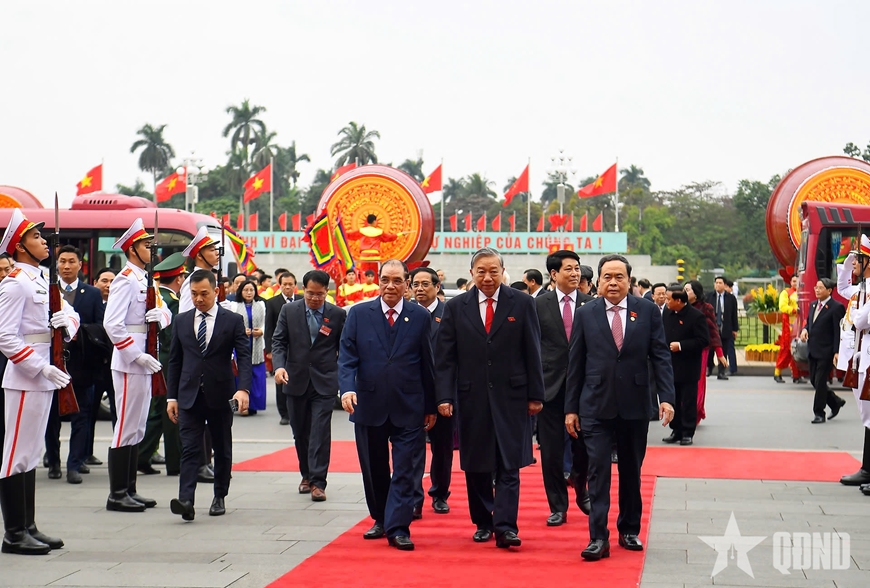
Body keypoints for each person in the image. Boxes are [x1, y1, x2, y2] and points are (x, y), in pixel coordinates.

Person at [566, 254, 675, 561]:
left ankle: (629, 529)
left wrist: (666, 397)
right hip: (595, 404)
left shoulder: (648, 310)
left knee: (631, 471)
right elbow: (575, 362)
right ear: (598, 281)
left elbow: (660, 356)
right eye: (607, 277)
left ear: (629, 280)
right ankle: (598, 537)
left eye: (619, 277)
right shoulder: (586, 313)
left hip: (635, 404)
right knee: (598, 471)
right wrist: (570, 408)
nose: (612, 282)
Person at [436, 247, 544, 548]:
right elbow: (445, 358)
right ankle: (483, 521)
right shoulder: (456, 307)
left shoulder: (521, 303)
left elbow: (532, 351)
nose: (487, 277)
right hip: (471, 397)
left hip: (513, 396)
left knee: (510, 463)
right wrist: (444, 395)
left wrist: (536, 394)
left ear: (503, 271)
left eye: (493, 271)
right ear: (472, 273)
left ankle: (506, 526)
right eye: (481, 271)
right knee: (477, 463)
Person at [338, 259, 435, 551]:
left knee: (405, 468)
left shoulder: (419, 316)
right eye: (385, 280)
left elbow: (428, 363)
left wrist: (431, 404)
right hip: (368, 403)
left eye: (397, 280)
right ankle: (380, 518)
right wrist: (346, 389)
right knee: (374, 467)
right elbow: (346, 357)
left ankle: (399, 527)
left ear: (407, 283)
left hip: (409, 405)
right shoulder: (358, 314)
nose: (390, 286)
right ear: (378, 281)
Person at [0, 208, 80, 554]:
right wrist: (38, 366)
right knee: (15, 454)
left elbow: (71, 316)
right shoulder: (15, 282)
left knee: (30, 454)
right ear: (19, 246)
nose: (43, 242)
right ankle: (14, 533)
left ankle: (28, 525)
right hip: (24, 377)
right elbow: (5, 336)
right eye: (35, 237)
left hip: (45, 372)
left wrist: (68, 322)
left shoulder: (42, 279)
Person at [166, 270, 252, 521]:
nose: (199, 299)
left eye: (204, 293)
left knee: (222, 446)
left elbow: (243, 357)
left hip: (222, 394)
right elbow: (175, 362)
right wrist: (172, 397)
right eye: (194, 294)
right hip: (189, 395)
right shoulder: (181, 320)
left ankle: (219, 495)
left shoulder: (232, 320)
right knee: (190, 449)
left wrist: (243, 388)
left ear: (216, 291)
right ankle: (186, 500)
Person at [103, 218, 172, 513]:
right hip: (131, 362)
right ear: (133, 249)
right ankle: (117, 493)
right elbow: (112, 324)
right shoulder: (125, 279)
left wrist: (161, 315)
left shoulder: (146, 279)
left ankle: (129, 489)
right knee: (126, 427)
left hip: (146, 358)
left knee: (138, 427)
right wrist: (135, 354)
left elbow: (167, 312)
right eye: (146, 245)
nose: (152, 250)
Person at [273, 270, 346, 501]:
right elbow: (279, 341)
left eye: (320, 295)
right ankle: (305, 474)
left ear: (327, 292)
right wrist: (279, 367)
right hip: (295, 379)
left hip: (324, 382)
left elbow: (344, 349)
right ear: (302, 290)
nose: (315, 299)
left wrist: (344, 380)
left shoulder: (337, 314)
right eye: (310, 294)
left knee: (320, 432)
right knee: (300, 432)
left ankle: (318, 482)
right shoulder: (289, 310)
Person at [535, 250, 593, 528]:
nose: (574, 273)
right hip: (550, 389)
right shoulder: (538, 305)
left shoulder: (591, 304)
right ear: (554, 274)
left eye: (577, 268)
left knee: (584, 448)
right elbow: (531, 348)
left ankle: (582, 489)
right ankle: (557, 505)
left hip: (584, 389)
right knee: (551, 451)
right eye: (568, 269)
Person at [44, 245, 105, 484]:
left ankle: (74, 465)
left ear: (81, 264)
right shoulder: (46, 291)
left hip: (81, 365)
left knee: (82, 416)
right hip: (52, 364)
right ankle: (54, 462)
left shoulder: (91, 293)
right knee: (52, 418)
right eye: (62, 261)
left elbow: (101, 327)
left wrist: (78, 331)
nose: (66, 266)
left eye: (71, 261)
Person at [136, 253, 187, 477]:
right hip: (168, 359)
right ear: (178, 279)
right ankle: (175, 462)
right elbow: (174, 335)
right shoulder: (171, 302)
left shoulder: (158, 297)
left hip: (157, 358)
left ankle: (141, 455)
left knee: (158, 410)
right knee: (171, 410)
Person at [409, 267, 453, 516]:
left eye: (426, 284)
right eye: (416, 284)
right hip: (412, 392)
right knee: (413, 448)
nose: (420, 289)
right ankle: (415, 498)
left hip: (442, 392)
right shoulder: (407, 313)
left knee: (442, 447)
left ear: (437, 287)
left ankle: (439, 493)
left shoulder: (450, 313)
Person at [838, 243, 870, 490]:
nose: (855, 263)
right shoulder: (862, 288)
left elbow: (860, 320)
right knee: (866, 415)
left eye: (859, 260)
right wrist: (847, 262)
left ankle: (867, 469)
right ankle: (867, 468)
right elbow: (842, 287)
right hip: (862, 355)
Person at [661, 286, 709, 446]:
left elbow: (703, 340)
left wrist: (681, 345)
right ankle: (676, 430)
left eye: (669, 299)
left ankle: (688, 432)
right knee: (673, 400)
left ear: (679, 301)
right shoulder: (667, 313)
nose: (666, 302)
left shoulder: (696, 317)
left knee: (688, 401)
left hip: (688, 366)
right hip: (670, 365)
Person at [800, 278, 846, 424]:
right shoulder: (814, 305)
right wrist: (804, 330)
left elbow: (839, 332)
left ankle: (819, 412)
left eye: (820, 288)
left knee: (820, 382)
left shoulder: (836, 307)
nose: (817, 290)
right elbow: (809, 323)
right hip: (813, 349)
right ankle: (835, 401)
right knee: (814, 380)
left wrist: (837, 352)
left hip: (827, 352)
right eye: (816, 287)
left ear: (829, 290)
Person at [684, 280, 725, 424]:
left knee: (698, 382)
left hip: (701, 350)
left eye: (688, 290)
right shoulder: (680, 307)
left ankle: (695, 411)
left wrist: (719, 353)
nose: (685, 292)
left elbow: (713, 330)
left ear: (696, 293)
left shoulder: (706, 308)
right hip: (683, 350)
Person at [88, 268, 116, 463]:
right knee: (90, 412)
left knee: (119, 412)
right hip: (96, 365)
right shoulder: (91, 302)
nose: (108, 285)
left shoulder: (120, 303)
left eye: (112, 281)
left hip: (117, 365)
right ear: (95, 282)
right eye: (103, 280)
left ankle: (119, 449)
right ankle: (85, 452)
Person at [264, 271, 298, 425]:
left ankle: (296, 411)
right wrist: (270, 349)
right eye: (285, 285)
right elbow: (269, 327)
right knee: (280, 379)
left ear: (295, 286)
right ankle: (284, 413)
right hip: (280, 348)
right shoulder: (272, 303)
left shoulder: (301, 300)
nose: (288, 287)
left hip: (298, 348)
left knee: (297, 379)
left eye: (290, 284)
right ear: (280, 285)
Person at [231, 280, 267, 415]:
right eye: (246, 290)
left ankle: (253, 406)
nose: (249, 293)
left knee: (257, 377)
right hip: (241, 344)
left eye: (251, 290)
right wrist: (242, 331)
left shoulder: (261, 305)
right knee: (240, 374)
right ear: (240, 291)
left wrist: (261, 331)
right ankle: (240, 406)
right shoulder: (234, 306)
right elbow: (232, 325)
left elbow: (265, 322)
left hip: (257, 345)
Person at [178, 226, 220, 315]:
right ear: (199, 256)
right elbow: (184, 314)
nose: (217, 253)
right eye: (212, 250)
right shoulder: (192, 280)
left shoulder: (210, 277)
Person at [706, 276, 739, 379]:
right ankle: (709, 367)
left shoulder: (731, 298)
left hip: (725, 327)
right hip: (711, 328)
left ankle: (721, 372)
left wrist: (735, 329)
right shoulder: (709, 296)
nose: (718, 285)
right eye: (716, 283)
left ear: (724, 285)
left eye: (720, 283)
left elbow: (734, 315)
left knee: (723, 351)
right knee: (710, 350)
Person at [774, 275, 804, 384]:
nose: (796, 283)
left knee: (797, 349)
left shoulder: (802, 292)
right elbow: (782, 307)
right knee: (786, 348)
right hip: (789, 325)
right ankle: (777, 372)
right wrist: (795, 310)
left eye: (798, 281)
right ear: (790, 282)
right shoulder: (786, 292)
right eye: (794, 281)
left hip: (800, 325)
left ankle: (796, 375)